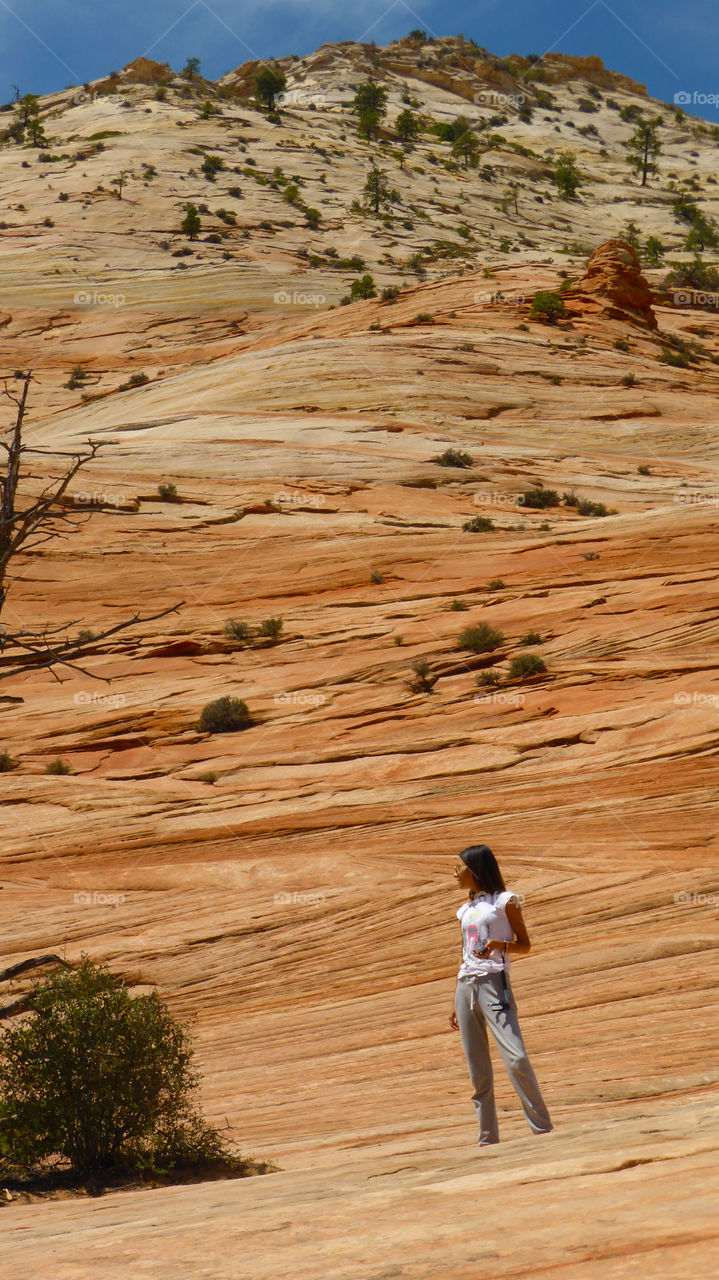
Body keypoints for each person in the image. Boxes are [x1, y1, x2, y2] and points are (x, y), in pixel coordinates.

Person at [449, 843, 553, 1145]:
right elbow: (465, 953)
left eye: (461, 867)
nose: (456, 873)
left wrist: (499, 946)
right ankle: (487, 1139)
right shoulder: (465, 909)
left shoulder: (505, 901)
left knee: (516, 1057)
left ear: (476, 869)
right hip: (465, 987)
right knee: (477, 1070)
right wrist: (454, 998)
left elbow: (525, 943)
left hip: (495, 984)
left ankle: (542, 1129)